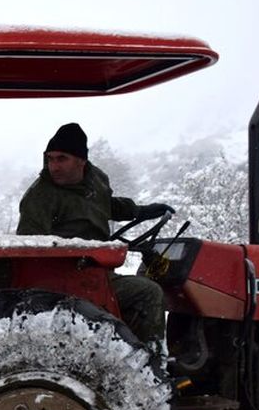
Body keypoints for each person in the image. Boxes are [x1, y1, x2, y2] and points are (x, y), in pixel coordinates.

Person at [17, 122, 172, 355]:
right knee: (148, 292)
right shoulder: (41, 196)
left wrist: (140, 211)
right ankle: (151, 363)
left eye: (61, 158)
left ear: (81, 161)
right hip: (68, 278)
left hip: (99, 270)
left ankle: (127, 351)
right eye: (50, 159)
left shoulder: (96, 180)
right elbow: (29, 247)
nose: (54, 166)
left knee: (138, 289)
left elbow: (105, 205)